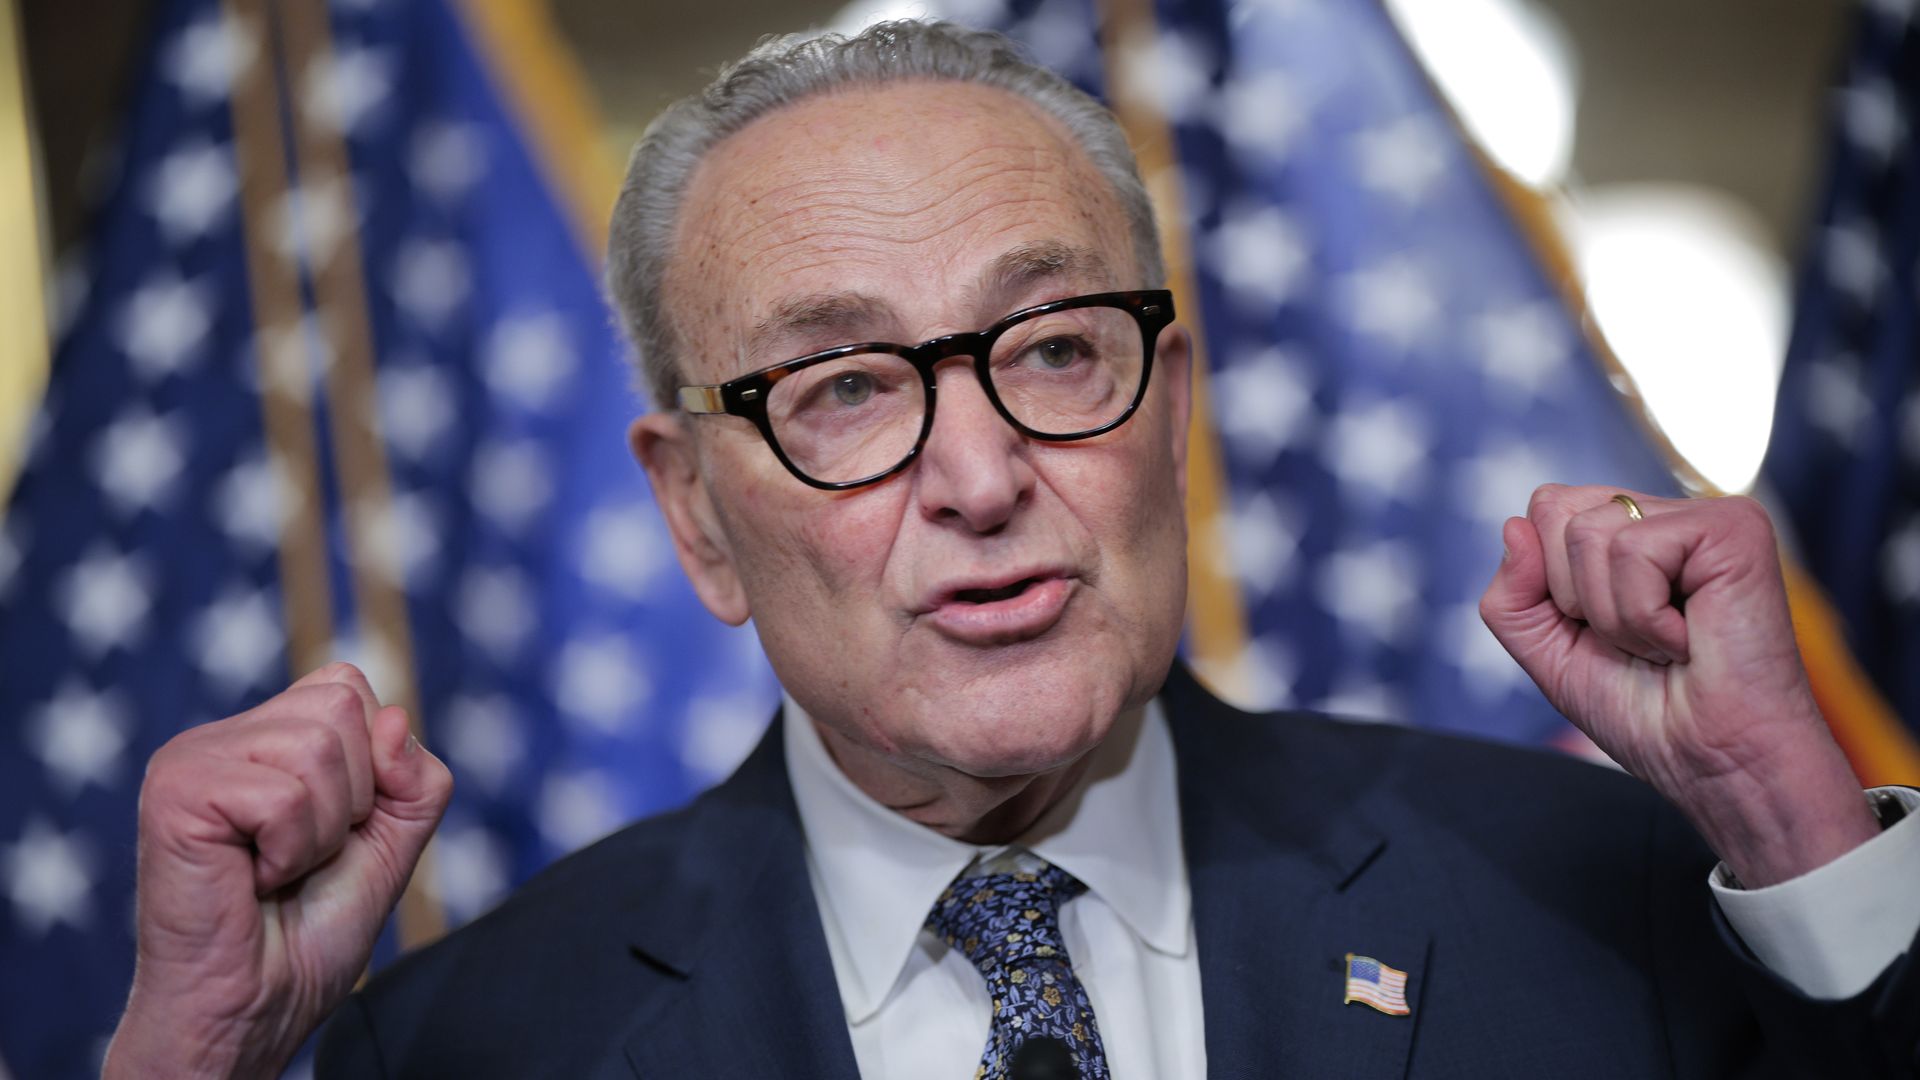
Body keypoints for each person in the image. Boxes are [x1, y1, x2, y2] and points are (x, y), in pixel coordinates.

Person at [103, 20, 1918, 1080]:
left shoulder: (1608, 898)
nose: (978, 474)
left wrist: (1806, 844)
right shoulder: (476, 1041)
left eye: (1054, 350)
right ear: (695, 515)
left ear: (1170, 401)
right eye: (840, 387)